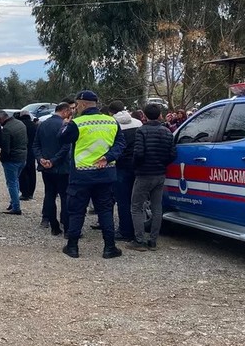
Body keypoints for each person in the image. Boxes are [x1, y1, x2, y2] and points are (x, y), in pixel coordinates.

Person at [58, 90, 125, 259]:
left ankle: (72, 247)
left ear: (81, 104)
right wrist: (108, 157)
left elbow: (62, 139)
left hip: (81, 175)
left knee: (77, 211)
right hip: (105, 173)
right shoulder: (111, 121)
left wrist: (66, 123)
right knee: (105, 210)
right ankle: (109, 247)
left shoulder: (77, 123)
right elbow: (120, 143)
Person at [130, 104, 177, 251]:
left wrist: (136, 166)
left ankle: (139, 240)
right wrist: (162, 164)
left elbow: (138, 153)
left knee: (136, 207)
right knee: (157, 207)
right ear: (160, 115)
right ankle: (153, 241)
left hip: (144, 173)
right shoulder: (167, 132)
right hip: (160, 173)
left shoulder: (141, 131)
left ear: (144, 115)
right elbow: (172, 154)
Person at [32, 102, 71, 236]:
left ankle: (54, 226)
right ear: (65, 111)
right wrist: (53, 161)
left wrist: (41, 159)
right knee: (65, 197)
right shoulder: (64, 125)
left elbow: (35, 145)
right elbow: (66, 147)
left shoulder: (42, 124)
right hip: (62, 167)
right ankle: (67, 226)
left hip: (46, 168)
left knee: (49, 195)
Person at [108, 100, 142, 242]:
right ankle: (137, 229)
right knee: (137, 201)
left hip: (120, 165)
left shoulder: (111, 123)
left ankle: (125, 230)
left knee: (123, 200)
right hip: (137, 165)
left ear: (111, 112)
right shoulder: (138, 123)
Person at [0, 110, 28, 215]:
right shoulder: (20, 124)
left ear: (1, 119)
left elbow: (5, 148)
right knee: (16, 181)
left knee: (12, 183)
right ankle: (14, 202)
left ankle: (16, 207)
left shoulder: (7, 129)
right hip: (22, 157)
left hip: (12, 159)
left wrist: (2, 159)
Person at [18, 110, 38, 201]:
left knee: (23, 172)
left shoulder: (20, 125)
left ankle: (24, 193)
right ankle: (31, 192)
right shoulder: (34, 125)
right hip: (32, 151)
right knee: (32, 172)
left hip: (22, 150)